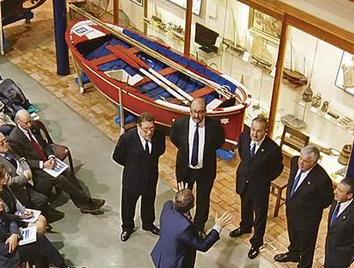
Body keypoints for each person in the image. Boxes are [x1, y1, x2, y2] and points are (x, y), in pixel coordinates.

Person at [0, 188, 85, 268]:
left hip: (11, 241)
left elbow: (11, 220)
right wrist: (16, 237)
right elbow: (5, 251)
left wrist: (14, 234)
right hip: (7, 257)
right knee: (39, 240)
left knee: (38, 239)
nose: (1, 203)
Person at [8, 109, 104, 214]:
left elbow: (45, 144)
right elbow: (23, 161)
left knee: (67, 171)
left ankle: (84, 202)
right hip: (36, 169)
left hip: (48, 160)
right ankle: (86, 202)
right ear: (18, 123)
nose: (30, 124)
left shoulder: (33, 127)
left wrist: (51, 156)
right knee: (61, 179)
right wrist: (42, 164)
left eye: (30, 121)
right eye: (26, 123)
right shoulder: (14, 139)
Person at [273, 144, 334, 268]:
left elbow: (326, 201)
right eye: (301, 158)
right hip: (292, 210)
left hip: (308, 218)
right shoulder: (294, 162)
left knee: (307, 245)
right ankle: (293, 253)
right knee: (293, 234)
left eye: (305, 161)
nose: (301, 162)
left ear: (314, 162)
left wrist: (309, 208)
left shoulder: (322, 179)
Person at [169, 97, 225, 234]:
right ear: (189, 111)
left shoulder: (215, 126)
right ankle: (183, 224)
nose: (196, 115)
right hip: (185, 170)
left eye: (200, 112)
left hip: (205, 171)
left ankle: (199, 227)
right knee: (183, 199)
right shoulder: (179, 125)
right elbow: (175, 140)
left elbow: (219, 141)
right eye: (193, 111)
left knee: (203, 199)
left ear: (205, 112)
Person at [230, 114, 283, 258]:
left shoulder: (273, 149)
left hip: (260, 187)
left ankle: (256, 243)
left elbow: (278, 168)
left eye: (259, 131)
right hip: (244, 181)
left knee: (260, 216)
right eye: (253, 129)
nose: (254, 133)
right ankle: (245, 227)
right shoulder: (245, 137)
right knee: (245, 207)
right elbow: (242, 154)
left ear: (265, 131)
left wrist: (264, 178)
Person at [113, 112, 165, 242]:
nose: (149, 132)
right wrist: (132, 166)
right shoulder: (127, 139)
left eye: (151, 128)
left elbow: (160, 151)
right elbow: (117, 157)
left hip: (150, 178)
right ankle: (127, 227)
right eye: (146, 129)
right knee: (128, 205)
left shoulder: (159, 135)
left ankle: (148, 224)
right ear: (138, 127)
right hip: (132, 179)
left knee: (148, 202)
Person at [0, 130, 47, 210]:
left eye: (5, 140)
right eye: (1, 143)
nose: (5, 143)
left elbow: (21, 159)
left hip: (27, 176)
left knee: (47, 183)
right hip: (17, 190)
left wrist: (27, 170)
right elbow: (7, 183)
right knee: (42, 200)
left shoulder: (6, 148)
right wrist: (25, 176)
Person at [0, 163, 47, 233]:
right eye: (3, 176)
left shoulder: (4, 186)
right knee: (39, 227)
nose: (7, 177)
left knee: (42, 219)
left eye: (6, 174)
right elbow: (3, 216)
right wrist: (21, 217)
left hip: (17, 214)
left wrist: (24, 211)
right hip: (9, 221)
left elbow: (15, 200)